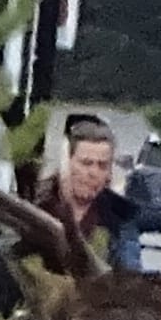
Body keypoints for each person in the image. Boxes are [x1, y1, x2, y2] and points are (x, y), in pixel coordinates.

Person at [38, 111, 140, 273]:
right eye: (86, 163)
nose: (93, 172)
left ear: (109, 172)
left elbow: (131, 273)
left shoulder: (121, 216)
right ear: (67, 161)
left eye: (102, 165)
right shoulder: (36, 201)